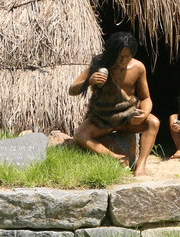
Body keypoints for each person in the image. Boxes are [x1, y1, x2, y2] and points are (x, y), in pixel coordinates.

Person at [69, 32, 160, 176]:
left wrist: (144, 114)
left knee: (153, 122)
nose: (122, 60)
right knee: (80, 135)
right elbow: (72, 90)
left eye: (126, 57)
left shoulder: (138, 68)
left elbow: (146, 98)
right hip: (102, 118)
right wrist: (89, 81)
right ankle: (117, 158)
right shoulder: (99, 64)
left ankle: (141, 165)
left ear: (132, 54)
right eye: (119, 56)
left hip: (127, 117)